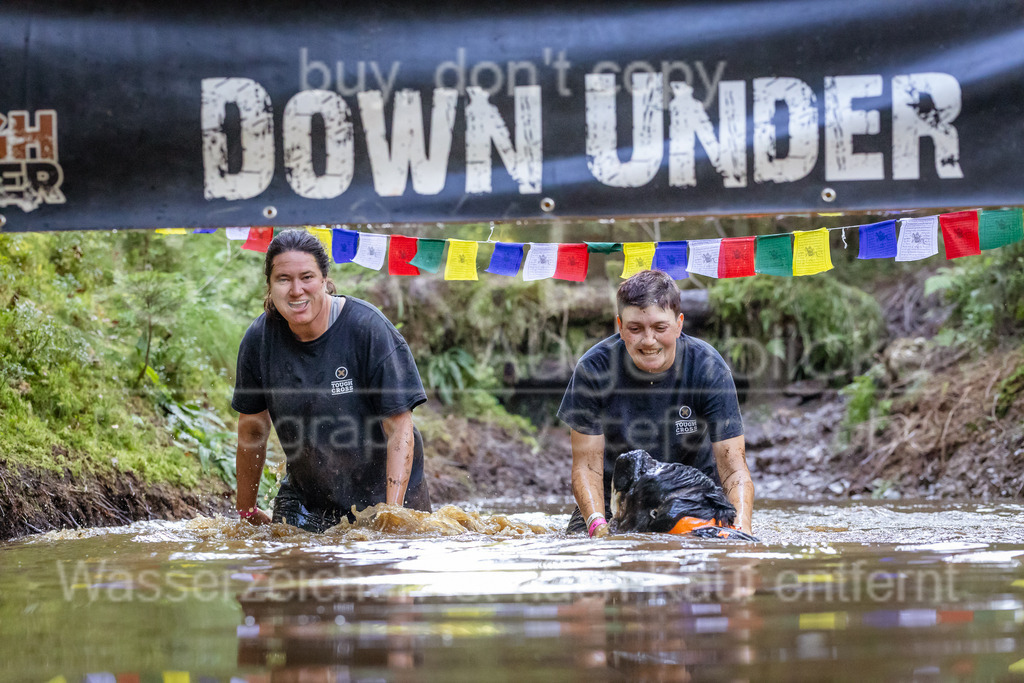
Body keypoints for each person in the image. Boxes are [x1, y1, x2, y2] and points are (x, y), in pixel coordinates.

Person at [232, 229, 431, 532]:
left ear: (324, 279)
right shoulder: (260, 339)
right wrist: (246, 511)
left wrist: (393, 514)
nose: (296, 290)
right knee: (287, 567)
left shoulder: (368, 329)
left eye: (307, 277)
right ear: (270, 286)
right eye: (283, 279)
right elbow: (252, 428)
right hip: (306, 498)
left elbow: (399, 427)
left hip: (386, 493)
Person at [557, 270, 753, 538]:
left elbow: (733, 469)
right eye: (635, 329)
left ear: (679, 324)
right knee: (580, 549)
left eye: (660, 328)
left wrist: (741, 529)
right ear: (620, 326)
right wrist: (596, 525)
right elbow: (586, 466)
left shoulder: (709, 367)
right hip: (615, 498)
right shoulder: (593, 368)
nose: (648, 341)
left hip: (693, 494)